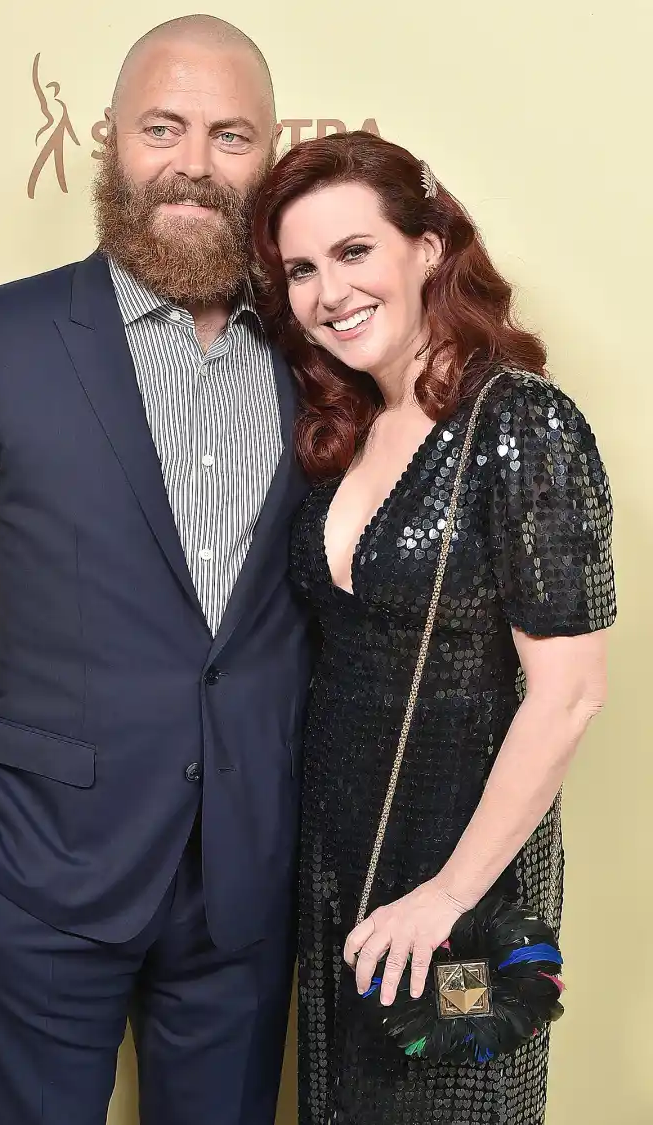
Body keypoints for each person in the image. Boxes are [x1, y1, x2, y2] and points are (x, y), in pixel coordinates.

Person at [0, 15, 311, 1125]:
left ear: (271, 156)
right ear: (112, 139)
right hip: (32, 878)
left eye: (230, 135)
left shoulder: (323, 356)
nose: (193, 165)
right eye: (162, 128)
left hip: (247, 893)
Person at [251, 131, 616, 1125]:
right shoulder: (343, 428)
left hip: (462, 890)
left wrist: (446, 893)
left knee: (450, 1102)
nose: (328, 292)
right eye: (300, 269)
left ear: (426, 246)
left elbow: (569, 692)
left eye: (354, 251)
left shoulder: (522, 423)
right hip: (339, 863)